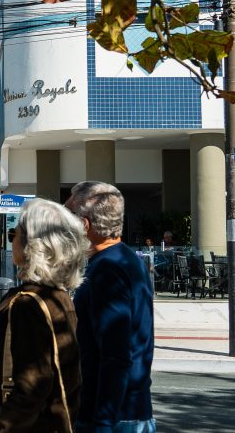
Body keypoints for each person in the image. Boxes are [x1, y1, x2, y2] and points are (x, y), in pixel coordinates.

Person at [0, 198, 88, 432]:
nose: (12, 240)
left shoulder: (28, 304)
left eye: (14, 234)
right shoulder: (58, 296)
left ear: (34, 245)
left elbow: (31, 388)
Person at [65, 181, 156, 433]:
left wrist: (103, 424)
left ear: (84, 225)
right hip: (126, 411)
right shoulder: (126, 259)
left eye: (67, 217)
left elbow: (116, 355)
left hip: (113, 417)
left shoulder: (107, 270)